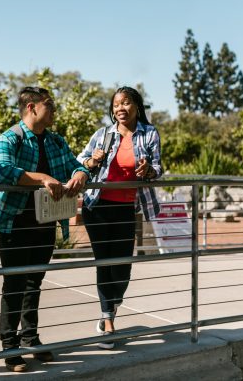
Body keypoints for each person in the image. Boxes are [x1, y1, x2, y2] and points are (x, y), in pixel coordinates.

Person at [0, 86, 90, 372]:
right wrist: (44, 177)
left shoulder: (55, 142)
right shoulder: (10, 138)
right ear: (31, 107)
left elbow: (76, 166)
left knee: (35, 282)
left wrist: (81, 173)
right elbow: (3, 170)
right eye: (49, 104)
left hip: (45, 222)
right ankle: (10, 348)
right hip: (15, 222)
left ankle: (31, 338)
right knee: (14, 284)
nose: (54, 110)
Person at [76, 86, 163, 350]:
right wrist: (92, 161)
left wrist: (148, 169)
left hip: (127, 209)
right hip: (98, 207)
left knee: (123, 267)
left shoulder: (149, 134)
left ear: (137, 106)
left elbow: (158, 169)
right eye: (116, 105)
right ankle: (108, 323)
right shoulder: (102, 135)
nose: (120, 109)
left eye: (125, 103)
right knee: (105, 263)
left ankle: (110, 308)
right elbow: (79, 162)